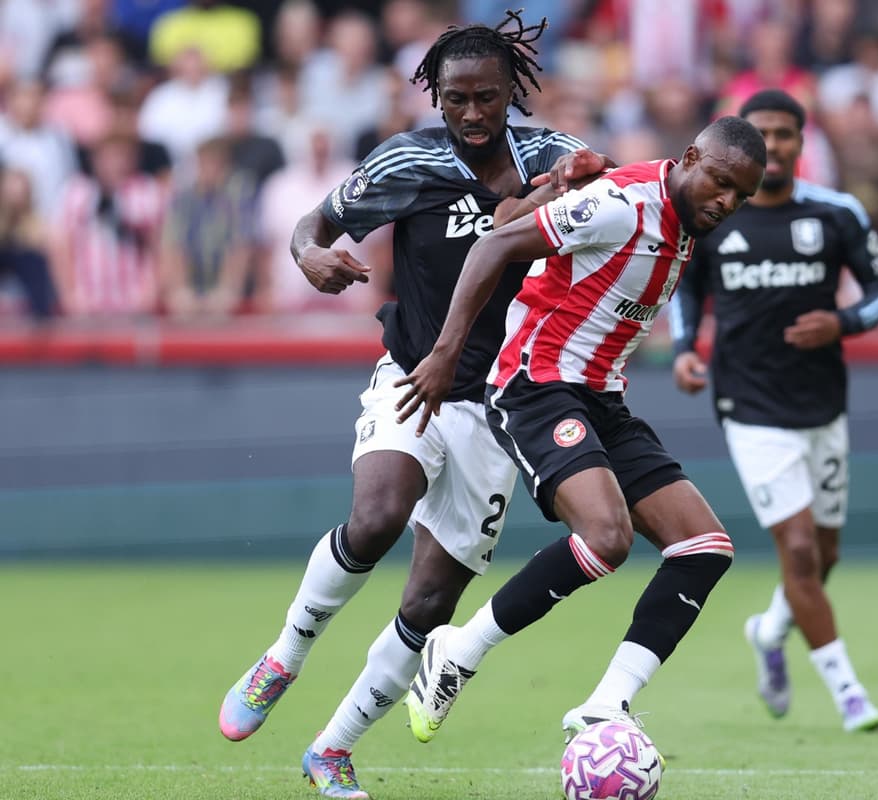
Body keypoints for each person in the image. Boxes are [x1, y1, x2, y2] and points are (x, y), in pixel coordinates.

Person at [216, 10, 610, 799]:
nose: (472, 113)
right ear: (434, 95)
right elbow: (312, 223)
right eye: (457, 97)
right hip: (412, 374)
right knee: (376, 515)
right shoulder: (406, 162)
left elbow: (618, 193)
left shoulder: (552, 158)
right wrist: (310, 255)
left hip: (503, 405)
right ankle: (283, 657)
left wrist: (592, 182)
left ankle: (332, 749)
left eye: (487, 98)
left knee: (430, 600)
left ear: (511, 95)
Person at [392, 115, 766, 745]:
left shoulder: (685, 224)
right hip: (534, 386)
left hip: (601, 400)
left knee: (704, 548)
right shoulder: (621, 204)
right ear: (692, 156)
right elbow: (493, 245)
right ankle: (458, 651)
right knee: (607, 536)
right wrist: (447, 351)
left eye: (742, 196)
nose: (728, 202)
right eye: (722, 183)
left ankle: (604, 706)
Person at [670, 90, 878, 732]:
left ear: (803, 141)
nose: (773, 146)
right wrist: (687, 350)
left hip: (822, 404)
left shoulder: (836, 213)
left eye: (785, 134)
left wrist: (844, 321)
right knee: (798, 552)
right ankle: (849, 691)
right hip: (748, 406)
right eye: (762, 133)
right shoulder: (714, 210)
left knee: (823, 558)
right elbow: (687, 284)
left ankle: (769, 632)